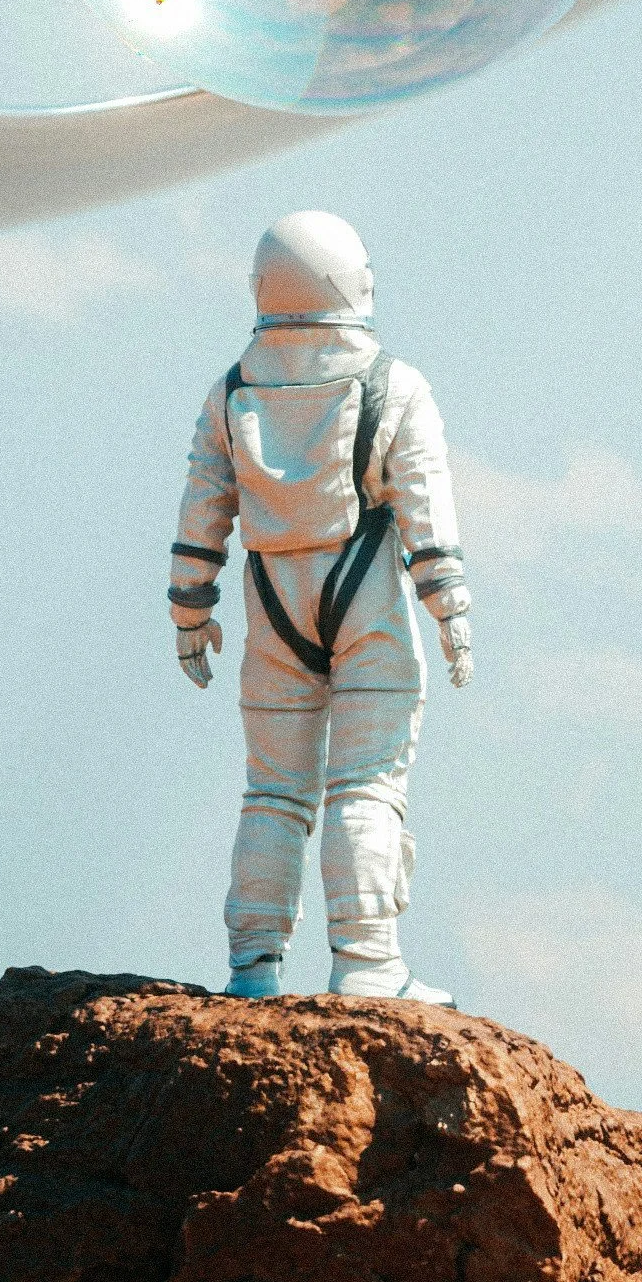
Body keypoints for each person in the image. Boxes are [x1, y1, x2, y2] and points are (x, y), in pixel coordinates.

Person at [169, 211, 472, 1001]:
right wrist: (451, 610)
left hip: (272, 603)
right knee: (366, 784)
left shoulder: (231, 392)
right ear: (354, 282)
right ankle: (367, 964)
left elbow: (204, 506)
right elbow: (425, 510)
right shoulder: (395, 387)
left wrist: (188, 610)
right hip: (363, 594)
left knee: (273, 791)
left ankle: (252, 967)